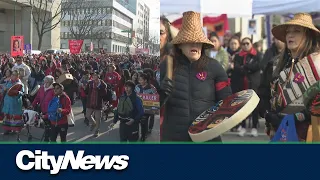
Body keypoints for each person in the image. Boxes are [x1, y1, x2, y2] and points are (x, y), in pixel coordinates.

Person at [160, 11, 232, 142]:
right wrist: (161, 93)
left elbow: (226, 104)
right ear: (180, 45)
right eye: (189, 41)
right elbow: (151, 106)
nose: (194, 44)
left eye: (198, 41)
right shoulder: (167, 65)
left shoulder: (215, 67)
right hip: (174, 138)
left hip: (208, 139)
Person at [261, 13, 320, 141]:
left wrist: (293, 118)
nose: (290, 35)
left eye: (297, 31)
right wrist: (269, 116)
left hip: (308, 133)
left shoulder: (317, 64)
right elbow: (266, 94)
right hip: (279, 131)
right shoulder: (276, 64)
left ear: (308, 36)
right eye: (288, 32)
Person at [231, 37, 263, 137]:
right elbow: (236, 68)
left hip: (253, 84)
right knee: (242, 107)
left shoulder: (257, 54)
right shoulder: (238, 56)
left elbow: (258, 66)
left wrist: (245, 67)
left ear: (251, 44)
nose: (245, 45)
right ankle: (243, 126)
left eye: (247, 43)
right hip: (241, 84)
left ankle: (254, 127)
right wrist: (247, 67)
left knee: (253, 106)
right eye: (243, 44)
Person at [85, 71, 111, 137]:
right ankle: (93, 123)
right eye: (93, 75)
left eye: (95, 75)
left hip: (98, 103)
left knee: (98, 118)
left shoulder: (102, 84)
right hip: (90, 102)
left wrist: (99, 88)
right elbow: (86, 92)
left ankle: (97, 130)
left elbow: (104, 94)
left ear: (98, 76)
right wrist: (84, 87)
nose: (94, 76)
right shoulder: (90, 83)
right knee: (88, 115)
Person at [31, 75, 55, 142]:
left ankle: (49, 139)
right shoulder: (41, 88)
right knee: (45, 126)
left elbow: (55, 103)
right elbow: (37, 98)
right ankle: (47, 138)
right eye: (45, 82)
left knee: (50, 127)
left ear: (51, 83)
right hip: (43, 110)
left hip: (51, 112)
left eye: (47, 82)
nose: (45, 84)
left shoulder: (53, 90)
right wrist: (32, 105)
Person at [135, 73, 158, 141]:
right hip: (138, 108)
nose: (140, 81)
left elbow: (156, 97)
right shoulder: (137, 87)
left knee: (144, 121)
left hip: (147, 109)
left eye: (141, 80)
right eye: (139, 80)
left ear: (145, 80)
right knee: (138, 121)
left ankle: (143, 136)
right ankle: (138, 134)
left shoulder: (152, 88)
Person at [1, 70, 24, 135]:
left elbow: (22, 93)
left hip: (15, 103)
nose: (12, 76)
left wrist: (16, 92)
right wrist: (4, 89)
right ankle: (7, 129)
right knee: (7, 115)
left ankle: (14, 129)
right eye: (12, 74)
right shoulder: (8, 82)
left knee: (14, 116)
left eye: (14, 75)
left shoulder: (19, 84)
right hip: (7, 102)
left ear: (17, 76)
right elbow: (4, 88)